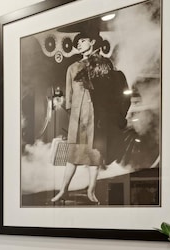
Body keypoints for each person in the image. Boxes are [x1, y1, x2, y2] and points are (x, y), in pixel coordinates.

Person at [51, 26, 131, 204]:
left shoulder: (104, 64)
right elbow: (69, 98)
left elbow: (113, 92)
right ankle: (63, 190)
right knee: (73, 155)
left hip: (98, 118)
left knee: (95, 155)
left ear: (92, 42)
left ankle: (91, 191)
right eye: (77, 43)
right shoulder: (72, 68)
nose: (79, 44)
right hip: (77, 119)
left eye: (82, 41)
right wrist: (74, 116)